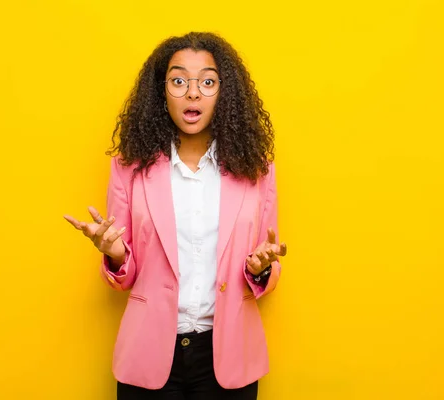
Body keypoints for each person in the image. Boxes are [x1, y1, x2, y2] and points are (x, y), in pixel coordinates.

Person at [64, 31, 287, 399]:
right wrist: (115, 254)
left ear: (224, 92)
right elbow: (124, 275)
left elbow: (267, 261)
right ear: (161, 91)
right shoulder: (129, 168)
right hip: (149, 355)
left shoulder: (257, 170)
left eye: (208, 82)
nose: (193, 92)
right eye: (179, 80)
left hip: (228, 357)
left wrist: (261, 267)